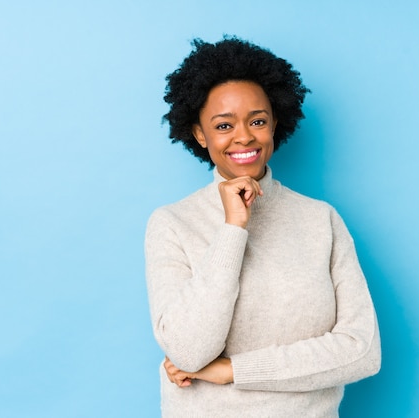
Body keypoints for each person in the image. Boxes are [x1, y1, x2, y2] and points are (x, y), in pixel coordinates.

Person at [145, 36, 381, 417]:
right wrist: (233, 229)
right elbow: (188, 351)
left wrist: (233, 370)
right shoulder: (172, 224)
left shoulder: (321, 220)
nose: (244, 137)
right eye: (224, 125)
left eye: (257, 121)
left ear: (275, 124)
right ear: (200, 134)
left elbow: (362, 351)